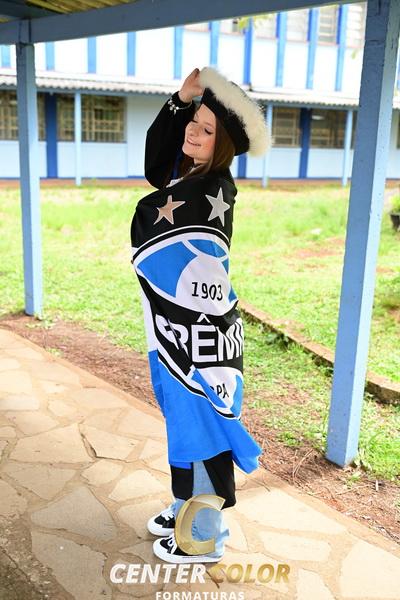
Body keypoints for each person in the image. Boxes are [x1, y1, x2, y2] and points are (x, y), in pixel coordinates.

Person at [130, 66, 270, 564]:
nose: (193, 131)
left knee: (203, 424)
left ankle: (205, 536)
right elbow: (156, 164)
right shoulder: (192, 178)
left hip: (201, 331)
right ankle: (184, 507)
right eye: (194, 122)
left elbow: (155, 210)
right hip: (179, 325)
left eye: (207, 129)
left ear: (223, 144)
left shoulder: (214, 190)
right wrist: (181, 100)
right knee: (184, 420)